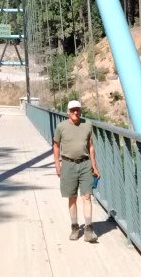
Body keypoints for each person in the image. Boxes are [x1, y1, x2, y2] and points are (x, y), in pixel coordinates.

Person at [53, 99, 100, 243]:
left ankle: (88, 229)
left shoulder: (87, 125)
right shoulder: (61, 127)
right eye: (72, 110)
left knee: (87, 197)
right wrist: (57, 165)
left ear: (80, 111)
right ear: (68, 112)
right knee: (72, 198)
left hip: (85, 164)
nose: (75, 112)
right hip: (68, 164)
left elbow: (90, 146)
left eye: (77, 110)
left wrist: (94, 165)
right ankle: (74, 227)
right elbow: (56, 146)